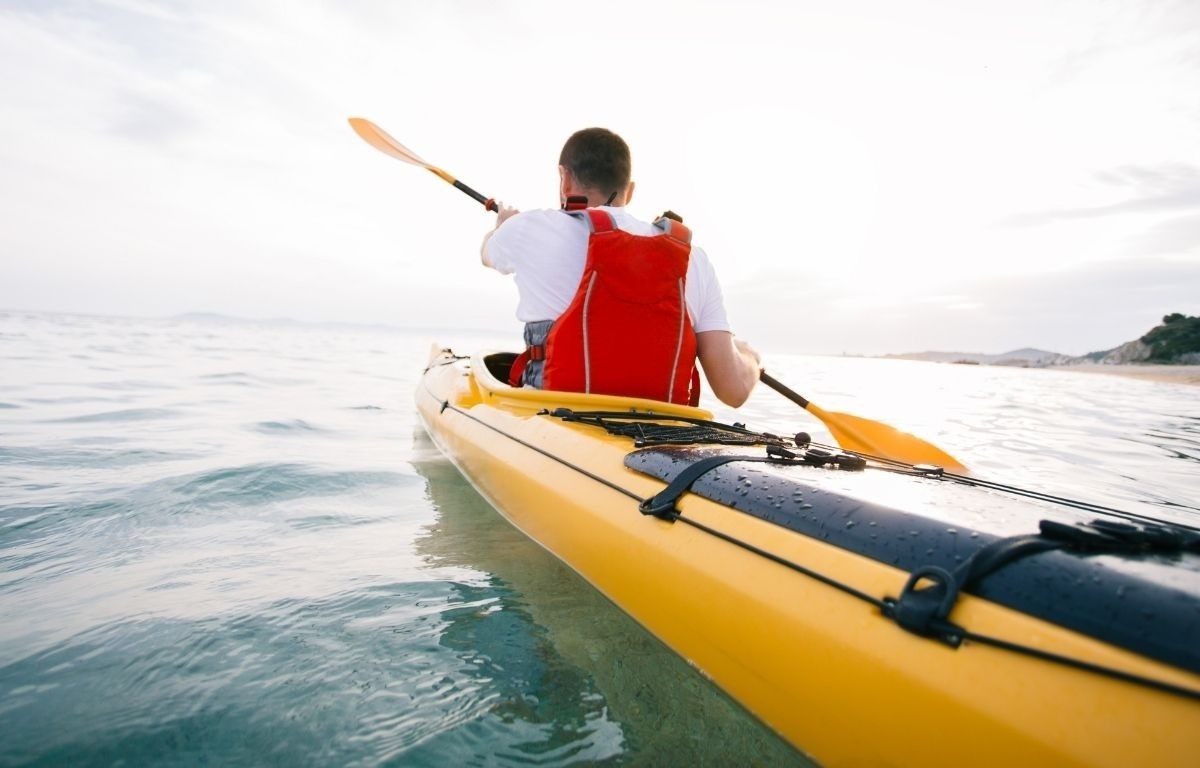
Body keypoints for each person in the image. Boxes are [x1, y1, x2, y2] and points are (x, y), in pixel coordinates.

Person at [480, 127, 761, 408]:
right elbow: (732, 390)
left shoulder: (527, 228)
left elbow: (487, 254)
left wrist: (503, 225)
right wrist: (751, 360)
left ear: (564, 179)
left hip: (556, 420)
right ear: (630, 190)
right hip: (657, 433)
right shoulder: (693, 258)